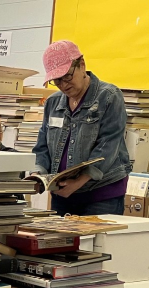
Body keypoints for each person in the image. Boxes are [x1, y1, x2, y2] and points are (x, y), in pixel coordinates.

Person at [32, 40, 131, 215]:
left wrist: (80, 181)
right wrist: (38, 175)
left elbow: (108, 145)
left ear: (82, 65)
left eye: (67, 76)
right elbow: (42, 146)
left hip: (101, 194)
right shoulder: (53, 103)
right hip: (62, 194)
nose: (63, 85)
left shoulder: (109, 97)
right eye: (57, 81)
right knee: (61, 241)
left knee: (95, 242)